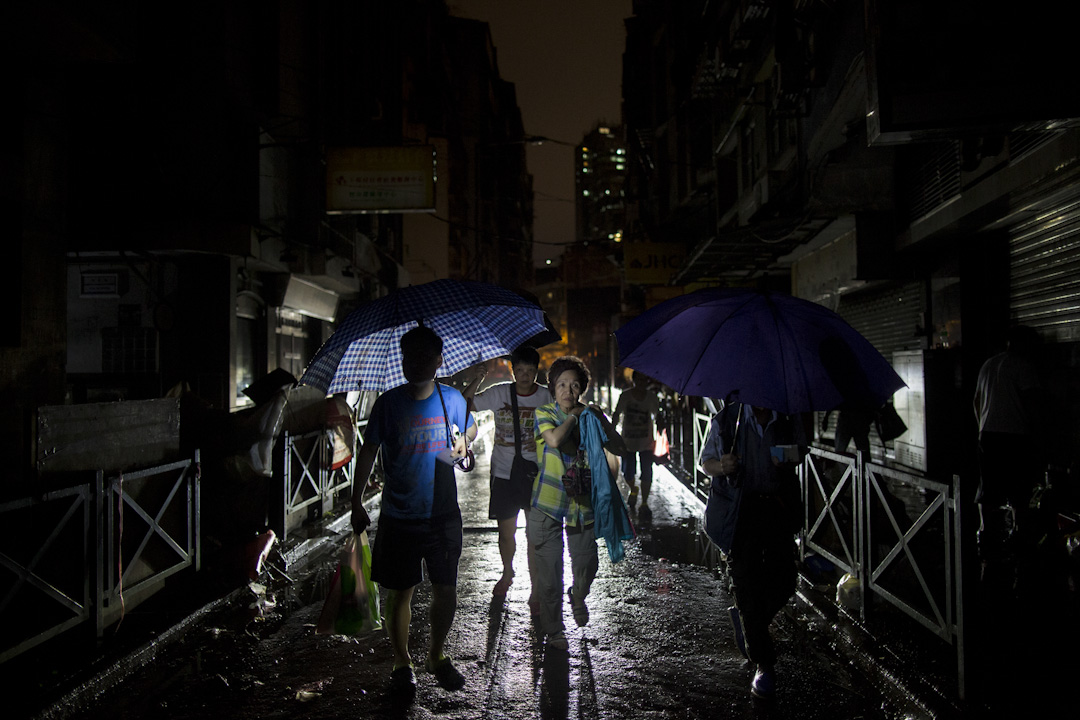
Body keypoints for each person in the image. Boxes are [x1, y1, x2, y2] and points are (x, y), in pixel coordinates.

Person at [350, 326, 477, 700]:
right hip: (399, 515)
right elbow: (369, 451)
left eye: (424, 356)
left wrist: (463, 444)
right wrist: (356, 501)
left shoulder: (451, 399)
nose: (415, 363)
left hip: (442, 515)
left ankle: (436, 655)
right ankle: (402, 661)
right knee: (399, 593)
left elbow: (467, 437)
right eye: (409, 356)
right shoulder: (388, 403)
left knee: (446, 591)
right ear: (402, 361)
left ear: (439, 361)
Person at [700, 402, 807, 699]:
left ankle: (749, 619)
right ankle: (765, 663)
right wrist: (722, 466)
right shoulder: (726, 420)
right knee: (746, 584)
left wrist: (784, 458)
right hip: (740, 511)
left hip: (777, 508)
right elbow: (704, 461)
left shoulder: (787, 415)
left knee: (785, 580)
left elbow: (801, 451)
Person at [528, 356, 621, 652]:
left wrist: (601, 419)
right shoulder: (544, 412)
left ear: (582, 389)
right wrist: (576, 416)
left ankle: (578, 595)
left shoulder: (592, 417)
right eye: (562, 385)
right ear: (553, 388)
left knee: (587, 565)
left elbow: (620, 448)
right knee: (550, 576)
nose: (568, 391)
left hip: (583, 507)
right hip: (547, 506)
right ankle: (554, 630)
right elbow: (554, 440)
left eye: (574, 385)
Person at [463, 346, 553, 598]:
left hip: (536, 473)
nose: (524, 376)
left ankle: (535, 589)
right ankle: (507, 571)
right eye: (520, 371)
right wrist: (477, 378)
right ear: (513, 371)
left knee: (534, 534)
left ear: (537, 371)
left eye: (530, 371)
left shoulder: (546, 397)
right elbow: (464, 403)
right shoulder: (500, 392)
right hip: (503, 473)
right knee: (506, 531)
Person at [972, 325, 1046, 572]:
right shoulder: (1024, 366)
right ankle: (1019, 533)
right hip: (1015, 435)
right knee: (1019, 487)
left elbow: (976, 401)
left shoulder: (988, 365)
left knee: (989, 486)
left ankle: (985, 533)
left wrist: (983, 424)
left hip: (987, 433)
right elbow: (1033, 403)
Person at [612, 370, 660, 508]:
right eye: (639, 379)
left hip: (647, 442)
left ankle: (644, 503)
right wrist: (611, 431)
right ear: (634, 380)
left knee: (647, 472)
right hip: (628, 442)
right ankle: (633, 489)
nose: (641, 382)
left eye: (644, 379)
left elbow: (658, 415)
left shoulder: (651, 397)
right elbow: (617, 413)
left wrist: (663, 427)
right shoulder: (625, 395)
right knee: (627, 473)